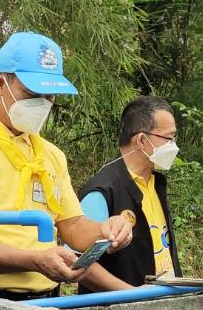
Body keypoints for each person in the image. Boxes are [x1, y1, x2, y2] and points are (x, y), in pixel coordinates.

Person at [0, 31, 133, 300]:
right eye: (31, 93)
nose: (41, 104)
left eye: (49, 96)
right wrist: (32, 260)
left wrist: (106, 230)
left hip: (49, 299)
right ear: (1, 84)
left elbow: (72, 226)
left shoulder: (49, 155)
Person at [78, 96, 182, 289]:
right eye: (168, 138)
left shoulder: (156, 183)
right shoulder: (102, 192)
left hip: (165, 301)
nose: (173, 146)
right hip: (120, 305)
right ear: (142, 140)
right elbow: (79, 263)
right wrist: (129, 293)